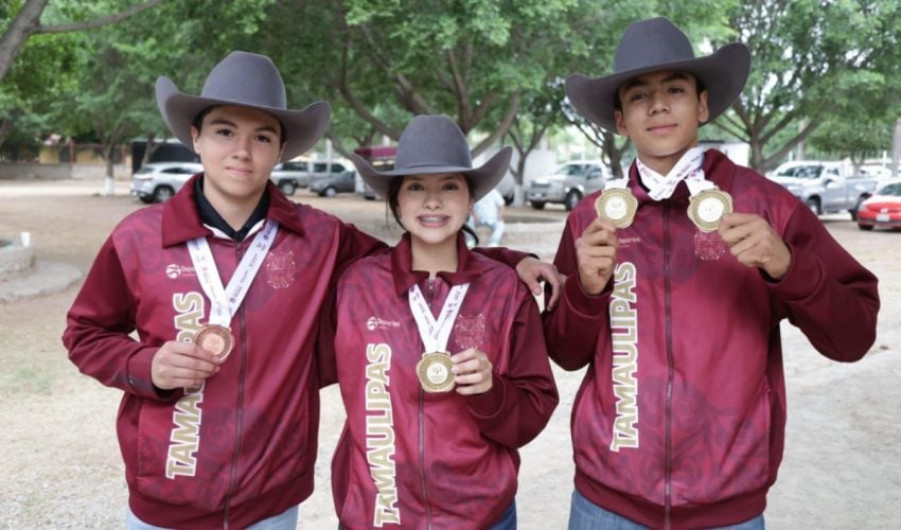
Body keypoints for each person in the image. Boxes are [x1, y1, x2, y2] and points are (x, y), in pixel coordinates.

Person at [62, 51, 561, 529]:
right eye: (224, 131)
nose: (241, 150)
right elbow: (84, 334)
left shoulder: (319, 237)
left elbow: (420, 254)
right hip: (164, 501)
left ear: (281, 149)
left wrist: (506, 263)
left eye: (261, 136)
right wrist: (145, 365)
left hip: (271, 504)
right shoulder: (138, 237)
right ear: (195, 136)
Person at [546, 17, 880, 529]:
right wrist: (587, 292)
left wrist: (787, 267)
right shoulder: (592, 218)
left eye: (675, 90)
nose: (658, 105)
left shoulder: (767, 206)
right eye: (639, 96)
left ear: (702, 105)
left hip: (727, 509)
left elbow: (853, 338)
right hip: (605, 503)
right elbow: (565, 353)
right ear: (620, 119)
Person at [318, 115, 559, 529]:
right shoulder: (354, 284)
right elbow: (294, 366)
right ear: (397, 202)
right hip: (377, 513)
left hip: (481, 515)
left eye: (449, 186)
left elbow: (533, 412)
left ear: (471, 202)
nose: (433, 201)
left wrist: (492, 391)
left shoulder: (505, 290)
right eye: (416, 187)